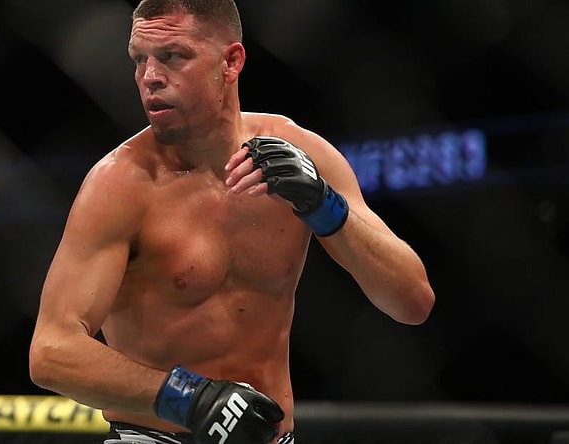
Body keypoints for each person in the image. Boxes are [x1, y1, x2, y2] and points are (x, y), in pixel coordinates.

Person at [29, 0, 435, 443]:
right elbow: (51, 352)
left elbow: (412, 301)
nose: (149, 77)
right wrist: (191, 398)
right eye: (139, 59)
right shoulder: (120, 185)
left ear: (231, 61)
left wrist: (323, 204)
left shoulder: (300, 153)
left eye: (172, 56)